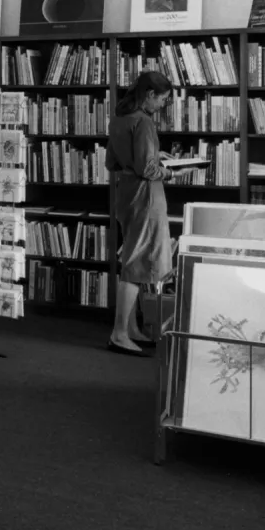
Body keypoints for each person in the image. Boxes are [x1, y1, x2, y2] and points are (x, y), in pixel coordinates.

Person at [105, 70, 189, 356]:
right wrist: (174, 172)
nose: (162, 105)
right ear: (150, 95)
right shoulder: (143, 122)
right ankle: (119, 333)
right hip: (145, 196)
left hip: (125, 194)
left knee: (133, 258)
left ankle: (130, 330)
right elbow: (148, 170)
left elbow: (112, 162)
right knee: (137, 263)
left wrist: (154, 156)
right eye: (163, 99)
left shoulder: (118, 118)